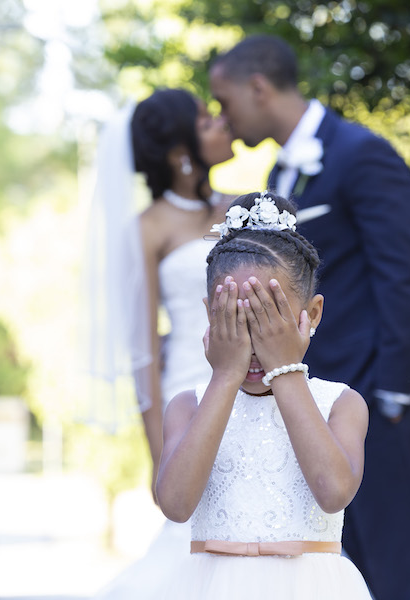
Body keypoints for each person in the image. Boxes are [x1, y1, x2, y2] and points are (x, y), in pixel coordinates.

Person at [209, 35, 410, 599]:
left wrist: (394, 394)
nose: (225, 117)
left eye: (225, 101)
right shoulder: (281, 173)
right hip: (309, 398)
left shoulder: (363, 155)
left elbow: (403, 277)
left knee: (395, 563)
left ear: (258, 87)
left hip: (374, 399)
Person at [155, 191, 372, 600]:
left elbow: (333, 493)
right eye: (236, 320)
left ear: (312, 315)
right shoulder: (189, 405)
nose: (254, 342)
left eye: (269, 322)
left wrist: (285, 368)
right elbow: (176, 504)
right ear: (209, 315)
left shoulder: (341, 404)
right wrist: (225, 375)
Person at [83, 88, 235, 598]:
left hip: (258, 389)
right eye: (205, 119)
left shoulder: (244, 207)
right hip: (187, 397)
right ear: (179, 153)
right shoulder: (147, 229)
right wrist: (158, 447)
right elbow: (143, 351)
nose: (221, 123)